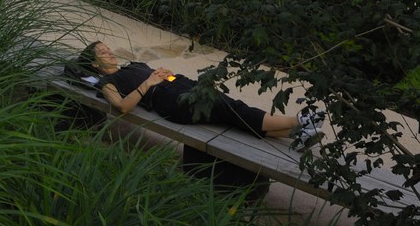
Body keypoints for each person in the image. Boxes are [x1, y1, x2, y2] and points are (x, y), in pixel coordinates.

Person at [74, 41, 325, 148]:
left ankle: (299, 135)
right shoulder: (108, 81)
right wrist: (149, 82)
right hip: (171, 101)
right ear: (95, 64)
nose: (109, 53)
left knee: (232, 114)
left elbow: (156, 78)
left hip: (180, 86)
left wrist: (165, 74)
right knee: (233, 109)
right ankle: (300, 121)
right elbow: (121, 107)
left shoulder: (131, 67)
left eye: (108, 49)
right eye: (103, 53)